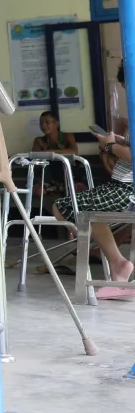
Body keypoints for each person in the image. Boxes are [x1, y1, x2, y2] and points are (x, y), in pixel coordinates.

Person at [52, 61, 134, 300]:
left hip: (126, 190)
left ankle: (110, 258)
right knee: (79, 210)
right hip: (123, 187)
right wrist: (119, 140)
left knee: (67, 206)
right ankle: (110, 257)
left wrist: (109, 145)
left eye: (127, 87)